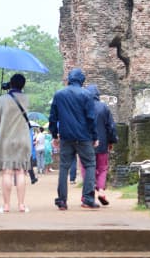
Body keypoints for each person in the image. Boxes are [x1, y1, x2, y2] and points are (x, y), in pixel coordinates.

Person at [49, 68, 99, 210]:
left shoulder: (59, 95)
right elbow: (91, 118)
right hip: (84, 137)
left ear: (69, 79)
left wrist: (54, 135)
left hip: (66, 136)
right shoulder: (87, 95)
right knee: (89, 165)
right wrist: (94, 136)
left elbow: (53, 117)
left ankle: (62, 200)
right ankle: (88, 199)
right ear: (82, 80)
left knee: (64, 167)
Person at [0, 73, 31, 213]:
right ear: (23, 85)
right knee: (20, 172)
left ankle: (6, 206)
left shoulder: (3, 99)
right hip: (23, 139)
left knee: (7, 172)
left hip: (6, 139)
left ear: (10, 83)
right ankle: (21, 205)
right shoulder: (26, 99)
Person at [86, 84, 118, 205]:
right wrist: (111, 141)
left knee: (87, 168)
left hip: (87, 143)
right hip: (102, 143)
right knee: (102, 168)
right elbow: (111, 127)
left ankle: (88, 194)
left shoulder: (84, 107)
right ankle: (100, 191)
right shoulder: (104, 108)